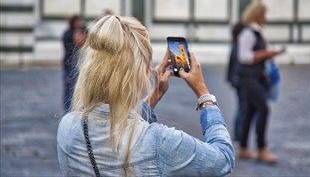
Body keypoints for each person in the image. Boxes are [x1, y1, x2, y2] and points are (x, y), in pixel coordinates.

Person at [57, 15, 235, 176]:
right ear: (135, 73)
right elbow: (223, 159)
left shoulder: (67, 127)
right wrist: (203, 93)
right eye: (148, 65)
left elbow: (119, 130)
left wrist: (154, 95)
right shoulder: (159, 142)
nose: (151, 71)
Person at [236, 1, 284, 163]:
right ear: (257, 15)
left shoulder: (256, 32)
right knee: (263, 108)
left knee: (250, 110)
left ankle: (243, 147)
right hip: (248, 77)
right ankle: (261, 148)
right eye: (263, 15)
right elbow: (244, 57)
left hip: (255, 76)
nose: (265, 18)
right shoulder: (248, 33)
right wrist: (266, 53)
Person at [226, 22, 246, 142]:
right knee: (242, 107)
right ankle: (239, 134)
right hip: (239, 80)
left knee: (241, 106)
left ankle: (239, 134)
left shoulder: (236, 45)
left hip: (236, 80)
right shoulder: (238, 46)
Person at [62, 15, 85, 113]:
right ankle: (68, 111)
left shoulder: (86, 50)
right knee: (69, 91)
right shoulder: (67, 35)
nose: (79, 37)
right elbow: (68, 57)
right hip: (69, 69)